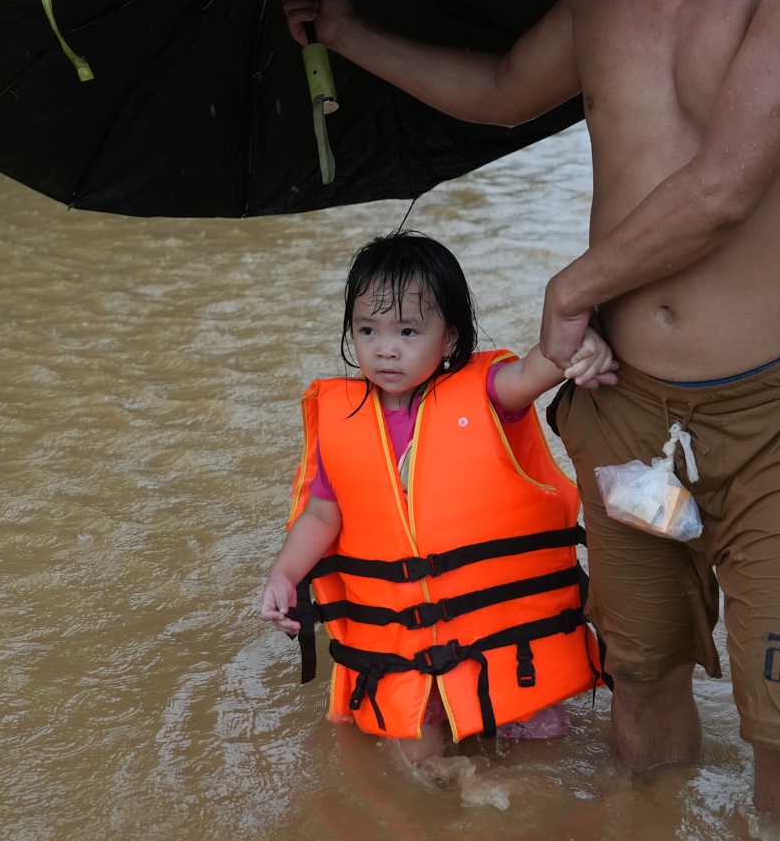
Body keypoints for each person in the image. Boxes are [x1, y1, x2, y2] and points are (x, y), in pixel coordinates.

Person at [281, 0, 780, 839]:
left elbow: (725, 186)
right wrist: (350, 32)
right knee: (640, 674)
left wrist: (569, 289)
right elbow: (504, 87)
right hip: (628, 421)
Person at [258, 231, 619, 764]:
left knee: (539, 769)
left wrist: (577, 351)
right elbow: (321, 513)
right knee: (418, 767)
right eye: (367, 329)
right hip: (407, 656)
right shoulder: (343, 422)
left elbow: (537, 368)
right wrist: (284, 573)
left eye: (407, 330)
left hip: (505, 648)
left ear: (449, 338)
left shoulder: (490, 393)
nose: (385, 347)